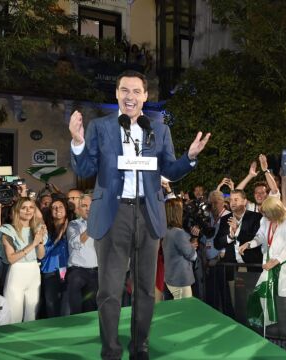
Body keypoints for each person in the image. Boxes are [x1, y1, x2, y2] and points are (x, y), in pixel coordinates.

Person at [69, 69, 210, 360]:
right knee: (109, 290)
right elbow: (84, 171)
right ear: (116, 94)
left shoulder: (159, 129)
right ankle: (110, 350)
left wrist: (190, 158)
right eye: (124, 90)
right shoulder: (100, 127)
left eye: (136, 91)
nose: (130, 96)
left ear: (145, 96)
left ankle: (140, 348)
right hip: (113, 213)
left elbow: (169, 170)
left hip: (149, 213)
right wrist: (77, 142)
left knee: (146, 289)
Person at [238, 196, 286, 327]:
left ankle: (285, 334)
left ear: (275, 211)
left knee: (284, 302)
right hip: (269, 264)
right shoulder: (265, 220)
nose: (265, 216)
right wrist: (249, 244)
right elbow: (260, 237)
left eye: (267, 213)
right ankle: (269, 331)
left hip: (284, 267)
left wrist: (276, 261)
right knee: (264, 298)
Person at [0, 198, 47, 323]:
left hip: (34, 271)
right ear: (17, 210)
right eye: (24, 207)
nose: (28, 210)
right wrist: (33, 243)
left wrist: (39, 241)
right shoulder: (8, 230)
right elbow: (11, 258)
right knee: (14, 315)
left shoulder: (37, 228)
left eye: (31, 207)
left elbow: (41, 256)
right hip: (17, 272)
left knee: (32, 314)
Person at [66, 193, 98, 314]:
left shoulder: (103, 224)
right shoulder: (74, 224)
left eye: (91, 206)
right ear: (78, 209)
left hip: (96, 273)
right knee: (77, 311)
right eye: (84, 206)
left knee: (91, 312)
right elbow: (76, 243)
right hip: (77, 272)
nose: (89, 209)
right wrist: (93, 225)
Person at [40, 197, 71, 317]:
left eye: (60, 206)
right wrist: (58, 237)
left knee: (66, 309)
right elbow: (43, 254)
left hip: (68, 271)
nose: (57, 209)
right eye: (54, 207)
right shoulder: (45, 229)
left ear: (66, 210)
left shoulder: (72, 227)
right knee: (51, 307)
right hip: (50, 272)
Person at [162, 198, 197, 299]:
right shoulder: (178, 232)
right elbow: (192, 255)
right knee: (184, 311)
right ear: (177, 212)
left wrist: (189, 244)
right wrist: (192, 246)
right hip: (180, 280)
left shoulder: (167, 230)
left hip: (172, 277)